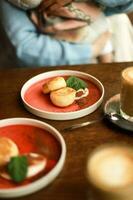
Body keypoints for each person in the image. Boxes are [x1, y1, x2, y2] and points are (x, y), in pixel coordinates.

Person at [0, 0, 133, 67]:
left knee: (113, 27)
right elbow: (24, 48)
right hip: (59, 46)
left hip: (94, 22)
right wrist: (92, 50)